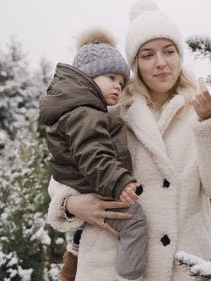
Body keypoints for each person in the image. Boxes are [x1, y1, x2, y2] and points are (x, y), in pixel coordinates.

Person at [46, 1, 211, 280]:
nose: (161, 63)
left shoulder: (201, 112)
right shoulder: (109, 110)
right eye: (148, 54)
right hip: (109, 267)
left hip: (181, 268)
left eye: (169, 51)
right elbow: (61, 175)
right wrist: (71, 204)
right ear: (135, 63)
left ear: (180, 55)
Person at [40, 29, 148, 281]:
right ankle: (130, 274)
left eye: (122, 83)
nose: (117, 87)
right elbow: (94, 153)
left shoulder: (80, 110)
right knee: (134, 221)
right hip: (94, 186)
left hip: (89, 183)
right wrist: (119, 181)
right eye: (111, 77)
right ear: (88, 78)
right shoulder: (85, 113)